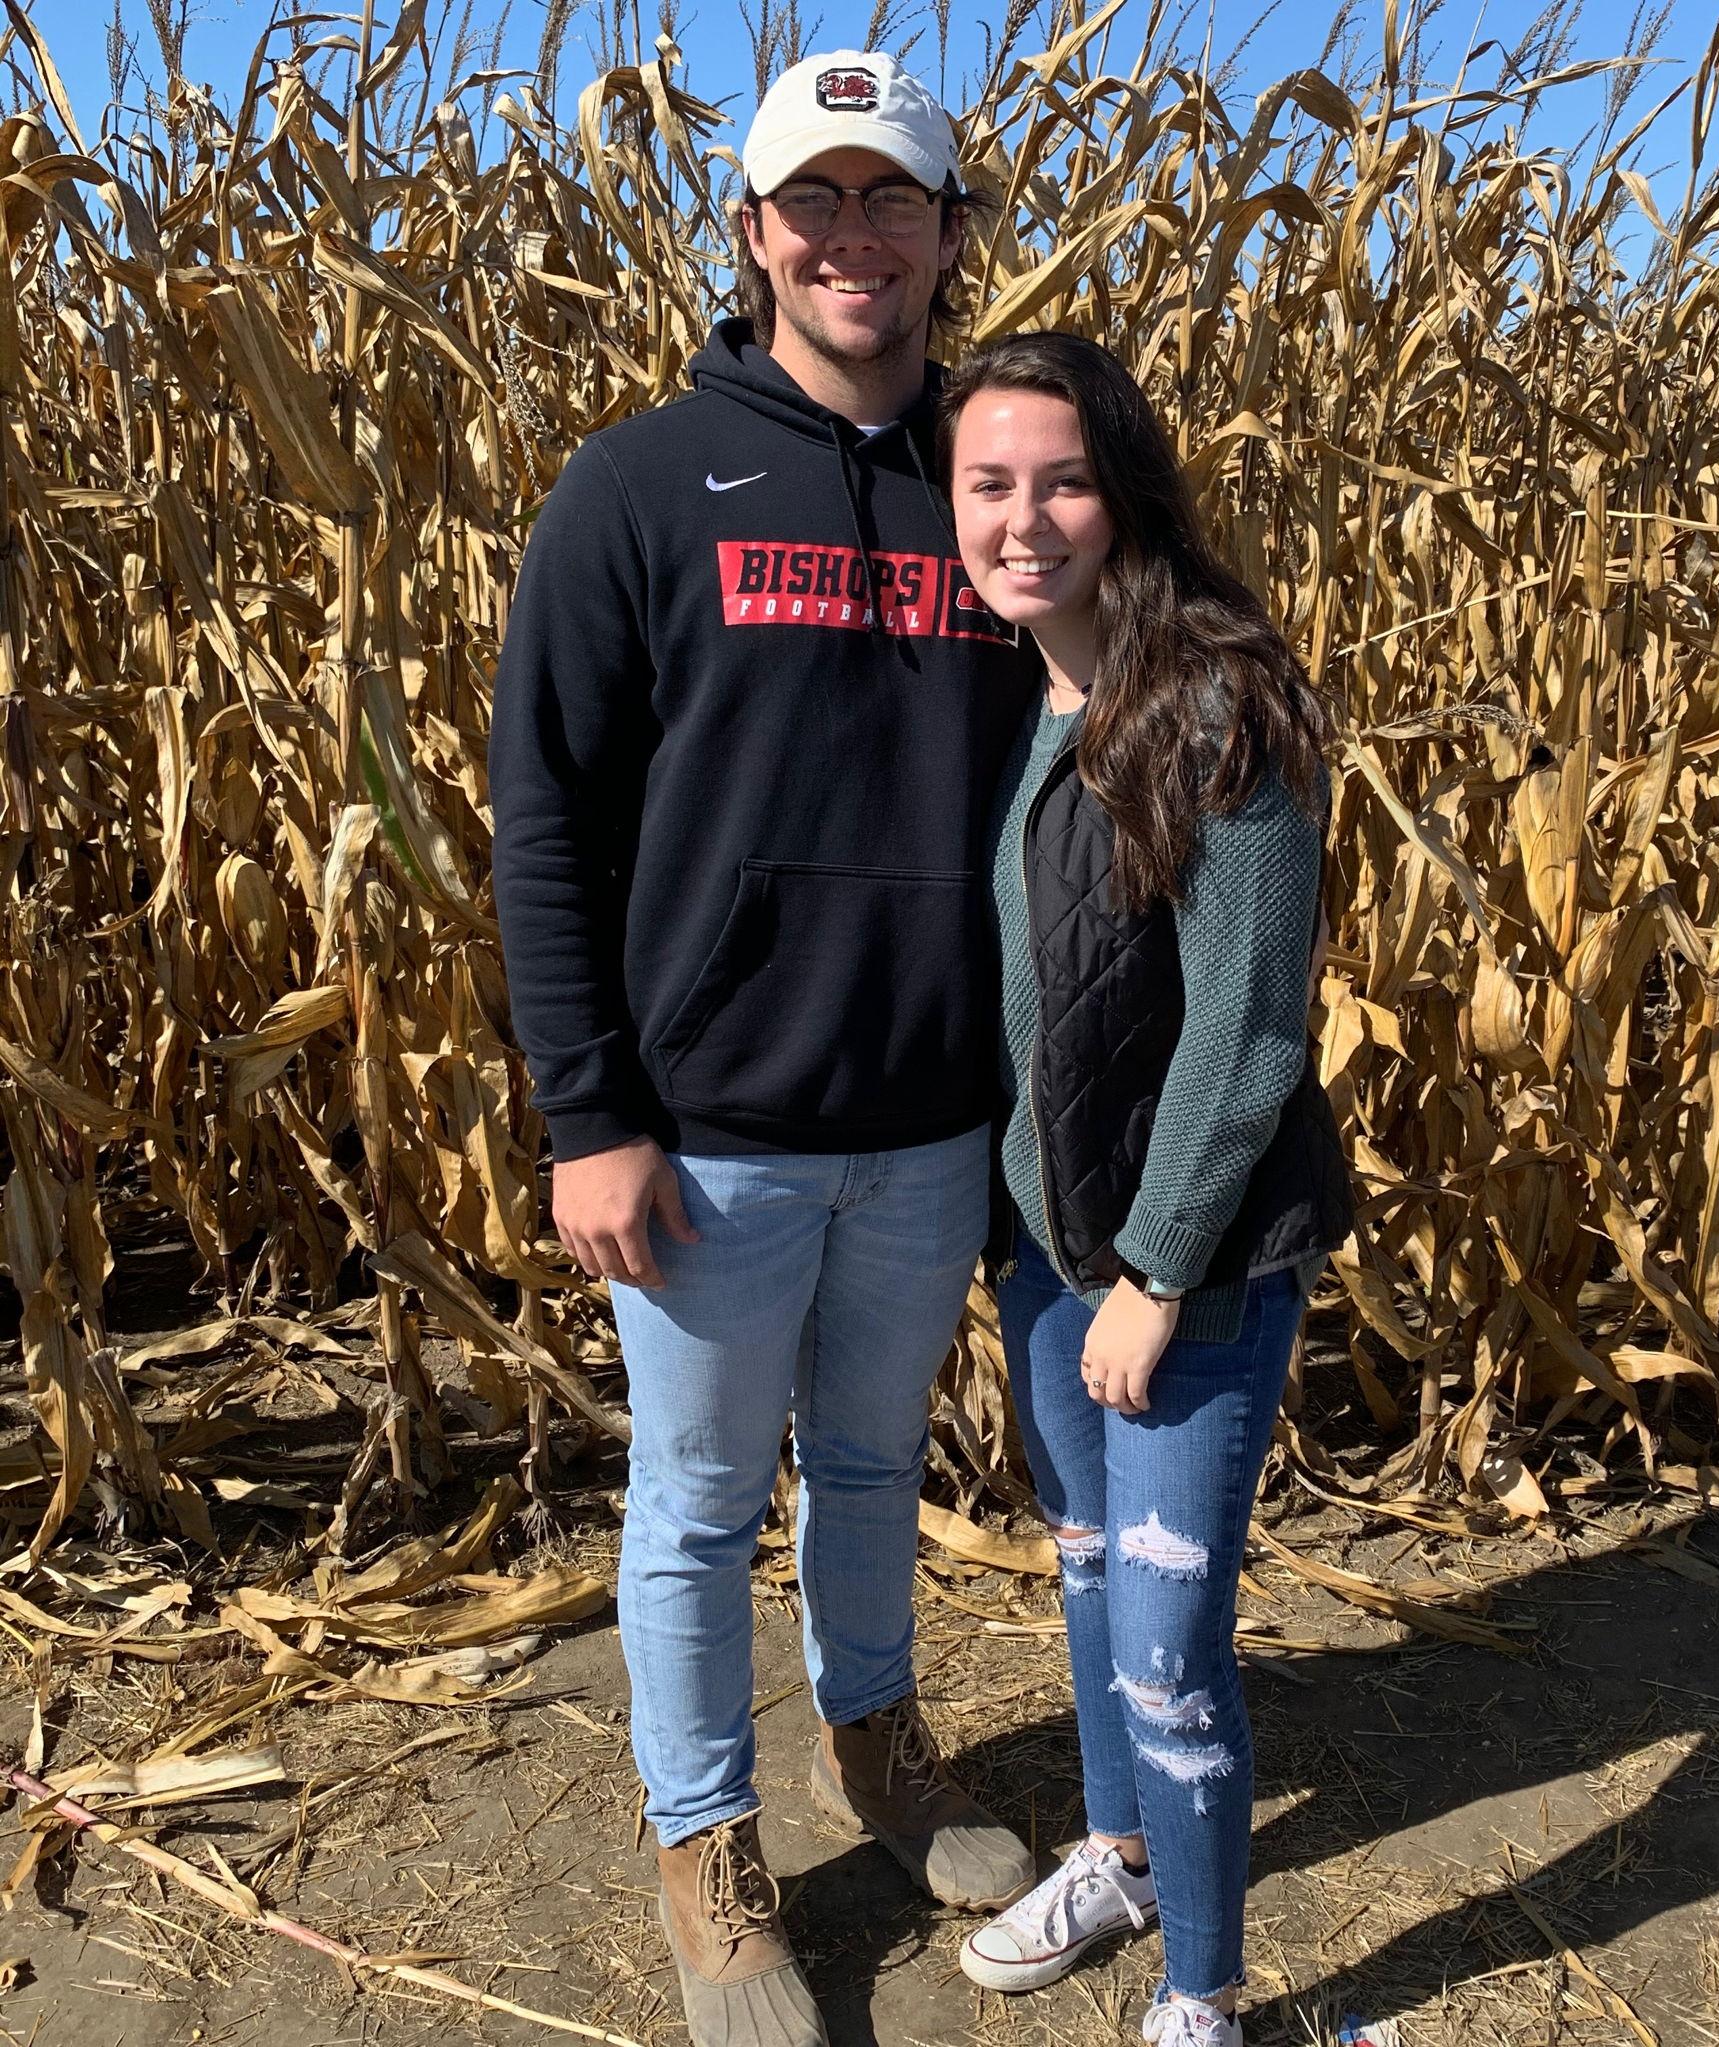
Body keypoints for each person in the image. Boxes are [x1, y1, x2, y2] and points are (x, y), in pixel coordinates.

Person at [487, 50, 1041, 2047]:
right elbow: (542, 817)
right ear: (749, 235)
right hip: (708, 1131)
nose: (852, 237)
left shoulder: (1004, 483)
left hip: (926, 1121)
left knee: (882, 1459)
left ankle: (876, 1739)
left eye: (892, 199)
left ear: (947, 235)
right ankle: (707, 1849)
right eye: (812, 200)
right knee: (704, 1502)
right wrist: (590, 1114)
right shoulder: (640, 484)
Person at [938, 333, 1354, 2047]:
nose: (1022, 518)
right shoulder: (1011, 693)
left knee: (1172, 1642)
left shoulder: (1216, 705)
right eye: (987, 485)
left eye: (1061, 480)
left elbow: (1253, 1027)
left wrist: (1161, 1266)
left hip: (1182, 1269)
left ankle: (1205, 2002)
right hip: (1052, 1253)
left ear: (1123, 495)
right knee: (1093, 1571)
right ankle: (1117, 1858)